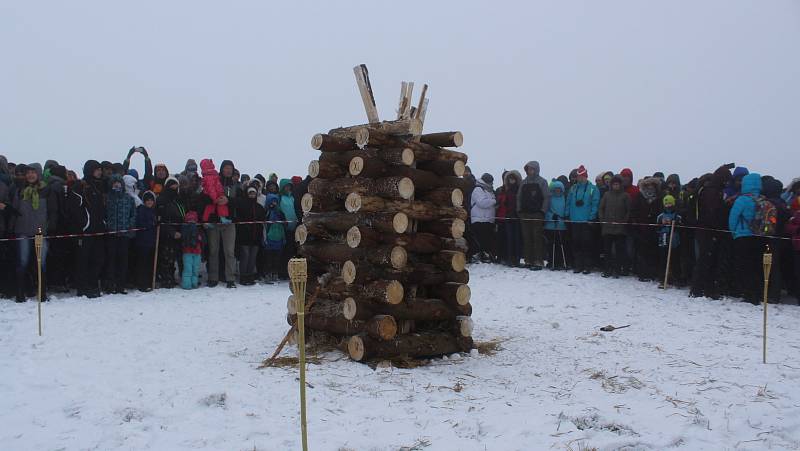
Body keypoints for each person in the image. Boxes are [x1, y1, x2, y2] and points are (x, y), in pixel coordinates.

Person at [9, 164, 58, 302]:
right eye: (28, 173)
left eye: (33, 172)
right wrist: (11, 227)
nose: (30, 175)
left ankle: (42, 293)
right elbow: (14, 210)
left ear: (39, 174)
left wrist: (51, 225)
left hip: (40, 232)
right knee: (22, 262)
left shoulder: (47, 190)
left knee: (40, 263)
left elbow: (53, 210)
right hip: (22, 231)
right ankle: (20, 294)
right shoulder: (19, 190)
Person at [65, 160, 107, 298]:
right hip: (85, 230)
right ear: (90, 170)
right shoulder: (80, 186)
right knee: (84, 259)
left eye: (100, 169)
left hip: (99, 229)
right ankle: (83, 287)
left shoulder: (99, 186)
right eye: (97, 169)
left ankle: (93, 284)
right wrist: (84, 225)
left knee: (98, 258)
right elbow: (75, 209)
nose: (99, 172)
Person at [728, 173, 765, 304]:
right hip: (760, 237)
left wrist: (733, 232)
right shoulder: (763, 200)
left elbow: (733, 218)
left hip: (743, 236)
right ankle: (758, 293)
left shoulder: (742, 200)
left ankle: (748, 293)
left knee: (744, 266)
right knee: (757, 266)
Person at [203, 159, 239, 288]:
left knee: (229, 251)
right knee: (213, 251)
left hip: (229, 222)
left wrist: (228, 200)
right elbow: (205, 197)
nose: (228, 170)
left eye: (230, 168)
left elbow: (240, 202)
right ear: (222, 169)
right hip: (214, 221)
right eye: (226, 168)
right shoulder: (214, 181)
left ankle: (230, 278)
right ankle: (213, 277)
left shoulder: (236, 185)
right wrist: (216, 200)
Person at [104, 174, 137, 294]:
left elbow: (133, 214)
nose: (117, 184)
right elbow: (104, 214)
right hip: (111, 234)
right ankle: (110, 284)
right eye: (114, 182)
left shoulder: (128, 198)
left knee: (123, 260)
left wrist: (129, 226)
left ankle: (121, 285)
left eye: (118, 182)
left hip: (124, 234)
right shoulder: (107, 198)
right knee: (111, 260)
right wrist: (107, 225)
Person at [565, 165, 600, 274]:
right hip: (574, 220)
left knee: (587, 243)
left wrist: (591, 217)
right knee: (576, 243)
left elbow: (595, 203)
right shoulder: (573, 188)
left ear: (586, 177)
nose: (579, 178)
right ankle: (578, 265)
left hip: (586, 221)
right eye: (578, 176)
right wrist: (567, 214)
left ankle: (587, 266)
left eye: (581, 176)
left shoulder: (593, 188)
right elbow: (568, 202)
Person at [517, 161, 550, 270]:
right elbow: (519, 197)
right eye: (528, 169)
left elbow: (546, 197)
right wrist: (519, 210)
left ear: (536, 169)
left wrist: (542, 211)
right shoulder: (523, 182)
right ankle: (528, 260)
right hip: (525, 214)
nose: (530, 171)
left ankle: (538, 261)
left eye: (532, 169)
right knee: (527, 238)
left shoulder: (542, 182)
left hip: (537, 214)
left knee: (537, 238)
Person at [631, 177, 663, 282]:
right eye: (648, 186)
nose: (650, 188)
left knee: (653, 251)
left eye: (652, 186)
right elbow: (634, 210)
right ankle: (642, 273)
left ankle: (652, 272)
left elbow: (660, 211)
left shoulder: (659, 198)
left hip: (654, 228)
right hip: (641, 228)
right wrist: (635, 222)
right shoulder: (639, 196)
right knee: (641, 252)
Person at [155, 177, 185, 288]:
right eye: (172, 185)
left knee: (175, 256)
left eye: (176, 185)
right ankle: (166, 278)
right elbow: (161, 219)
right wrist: (172, 232)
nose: (174, 187)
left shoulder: (179, 199)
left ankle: (172, 277)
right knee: (167, 257)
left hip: (179, 230)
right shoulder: (162, 199)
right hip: (166, 232)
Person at [598, 175, 630, 278]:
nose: (616, 186)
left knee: (619, 251)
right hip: (607, 228)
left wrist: (624, 221)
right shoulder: (607, 195)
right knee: (607, 251)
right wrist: (602, 221)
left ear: (620, 185)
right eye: (614, 184)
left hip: (620, 229)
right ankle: (607, 269)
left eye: (617, 184)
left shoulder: (625, 196)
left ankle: (617, 270)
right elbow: (601, 209)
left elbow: (628, 211)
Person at [237, 186, 266, 285]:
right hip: (244, 236)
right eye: (250, 193)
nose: (252, 195)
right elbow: (239, 219)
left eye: (253, 193)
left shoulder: (259, 207)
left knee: (253, 257)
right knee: (245, 255)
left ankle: (250, 275)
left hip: (256, 235)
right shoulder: (242, 205)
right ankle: (243, 276)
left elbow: (262, 220)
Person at [496, 171, 522, 266]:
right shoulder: (506, 190)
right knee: (509, 239)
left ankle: (517, 259)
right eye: (510, 179)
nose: (512, 180)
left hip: (516, 216)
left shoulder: (519, 189)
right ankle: (510, 258)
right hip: (508, 216)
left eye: (513, 179)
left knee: (517, 239)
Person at [657, 195, 682, 287]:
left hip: (674, 240)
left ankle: (677, 278)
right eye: (666, 204)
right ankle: (663, 279)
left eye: (670, 203)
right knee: (663, 260)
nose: (668, 205)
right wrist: (662, 224)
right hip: (663, 239)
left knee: (675, 260)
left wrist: (673, 224)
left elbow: (681, 227)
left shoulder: (677, 215)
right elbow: (657, 227)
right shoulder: (660, 216)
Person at [470, 173, 497, 262]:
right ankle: (477, 255)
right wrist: (494, 201)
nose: (492, 184)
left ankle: (485, 255)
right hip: (479, 218)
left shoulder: (490, 190)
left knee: (486, 239)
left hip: (488, 219)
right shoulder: (478, 189)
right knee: (479, 238)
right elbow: (482, 203)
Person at [134, 191, 157, 292]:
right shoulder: (141, 210)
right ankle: (142, 284)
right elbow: (140, 223)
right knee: (142, 263)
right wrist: (151, 224)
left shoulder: (152, 211)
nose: (149, 202)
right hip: (142, 241)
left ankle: (149, 282)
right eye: (147, 200)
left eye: (151, 200)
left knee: (149, 263)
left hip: (151, 241)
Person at [544, 180, 568, 270]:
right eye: (556, 189)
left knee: (560, 244)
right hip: (551, 224)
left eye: (559, 189)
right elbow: (547, 210)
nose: (557, 191)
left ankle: (560, 262)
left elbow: (566, 208)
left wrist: (564, 216)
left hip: (561, 225)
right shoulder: (550, 198)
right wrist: (551, 216)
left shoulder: (564, 198)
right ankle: (551, 261)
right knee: (551, 245)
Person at [263, 193, 286, 282]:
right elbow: (264, 223)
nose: (274, 203)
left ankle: (275, 273)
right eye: (272, 201)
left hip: (279, 237)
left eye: (276, 201)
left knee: (277, 258)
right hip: (269, 237)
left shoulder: (280, 211)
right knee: (268, 258)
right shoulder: (267, 211)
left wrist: (277, 210)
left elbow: (284, 221)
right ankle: (267, 274)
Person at [180, 211, 203, 289]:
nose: (191, 221)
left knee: (195, 268)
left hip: (197, 251)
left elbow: (204, 240)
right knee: (188, 269)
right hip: (187, 252)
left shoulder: (199, 228)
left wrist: (201, 238)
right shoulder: (184, 228)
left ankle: (194, 283)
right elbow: (183, 239)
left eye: (193, 219)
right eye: (189, 219)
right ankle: (187, 284)